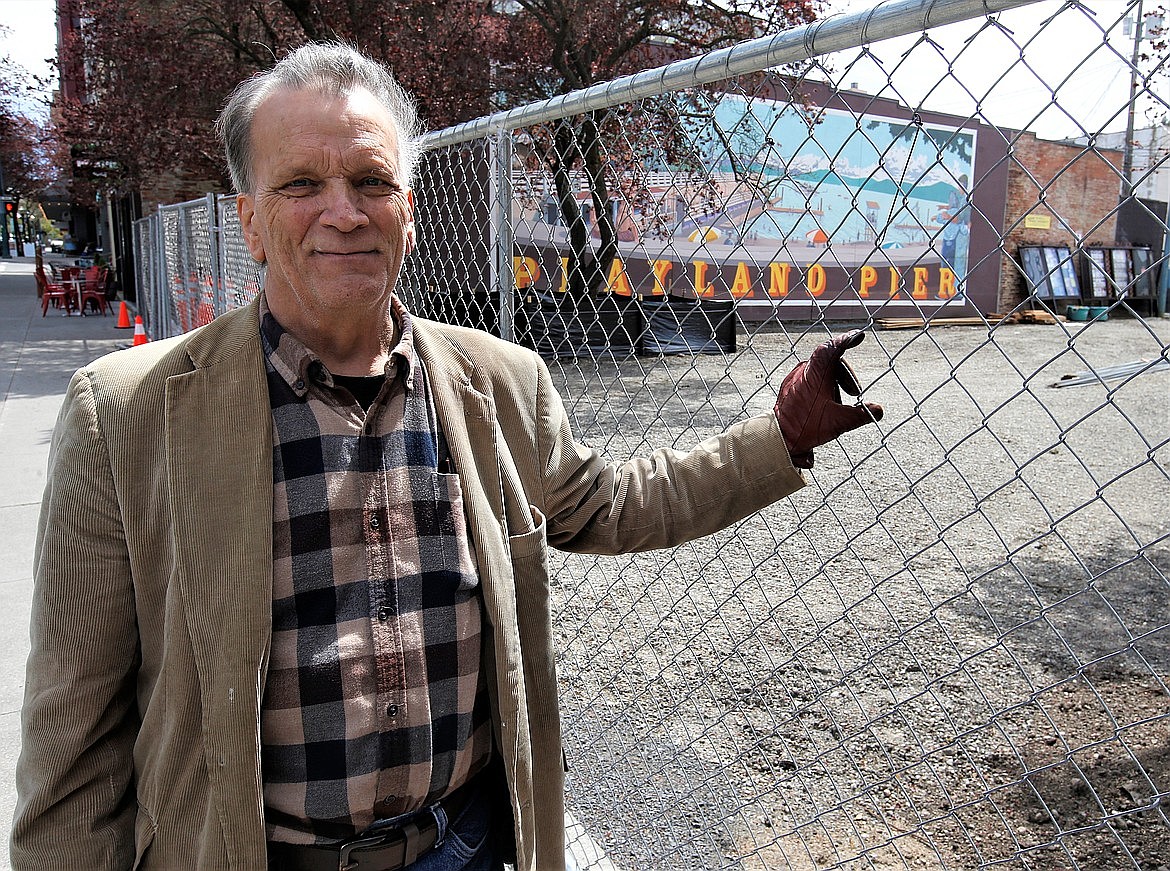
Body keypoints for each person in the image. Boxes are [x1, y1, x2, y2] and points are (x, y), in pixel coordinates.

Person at [11, 43, 883, 871]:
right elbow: (75, 748)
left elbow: (607, 504)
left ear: (410, 215)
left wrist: (781, 440)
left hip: (460, 848)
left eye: (371, 181)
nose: (343, 210)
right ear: (248, 221)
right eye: (302, 184)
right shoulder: (126, 416)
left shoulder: (497, 380)